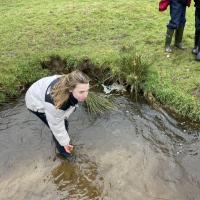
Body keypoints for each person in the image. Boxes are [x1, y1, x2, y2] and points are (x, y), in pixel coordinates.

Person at [25, 70, 90, 158]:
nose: (86, 95)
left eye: (87, 90)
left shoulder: (70, 81)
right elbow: (57, 126)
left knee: (61, 121)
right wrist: (65, 143)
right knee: (62, 125)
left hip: (39, 89)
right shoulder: (56, 103)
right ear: (70, 89)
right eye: (81, 92)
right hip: (35, 102)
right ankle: (64, 153)